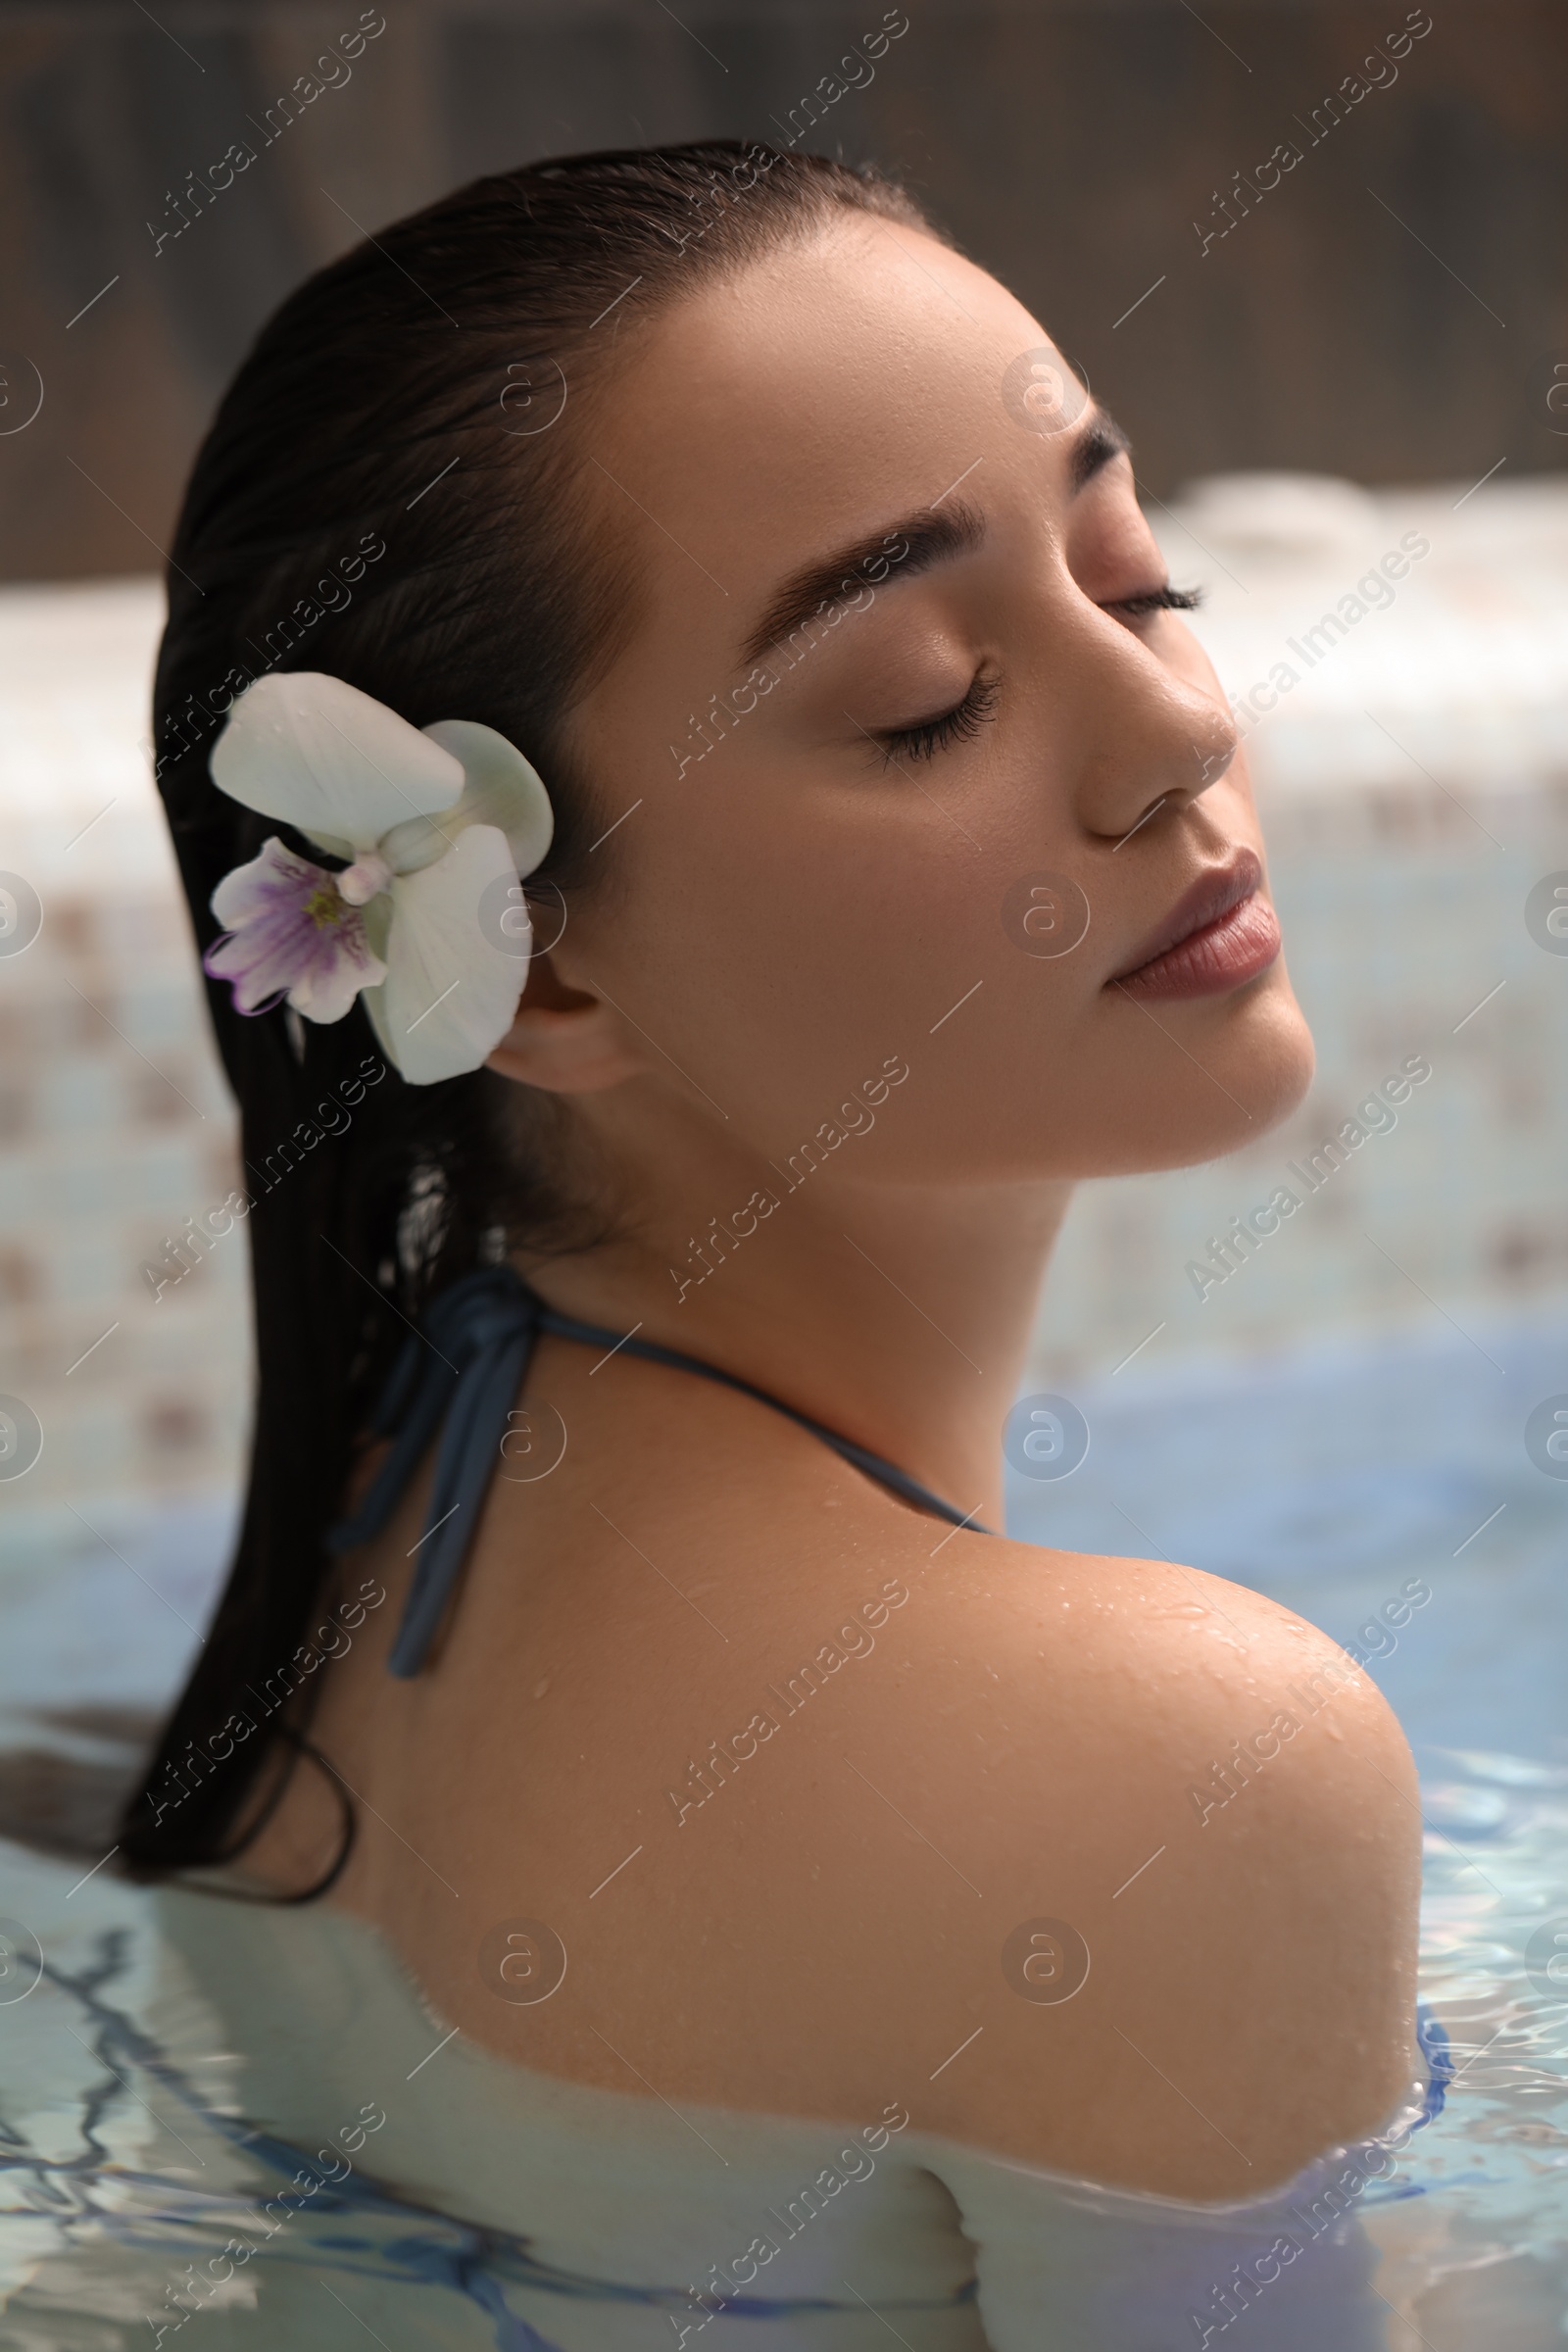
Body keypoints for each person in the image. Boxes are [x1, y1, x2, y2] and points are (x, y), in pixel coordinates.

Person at [122, 141, 1427, 2345]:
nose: (1179, 729)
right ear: (534, 979)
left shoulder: (390, 1493)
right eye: (925, 696)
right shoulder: (1178, 1780)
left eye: (1128, 573)